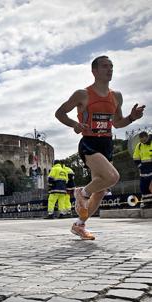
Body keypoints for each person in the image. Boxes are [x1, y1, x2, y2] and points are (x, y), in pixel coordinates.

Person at [55, 55, 145, 240]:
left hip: (107, 143)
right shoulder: (83, 94)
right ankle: (82, 192)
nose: (109, 69)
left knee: (102, 189)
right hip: (89, 142)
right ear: (94, 71)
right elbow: (60, 112)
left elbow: (118, 123)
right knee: (113, 177)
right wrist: (74, 124)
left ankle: (80, 225)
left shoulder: (116, 96)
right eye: (105, 66)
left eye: (111, 66)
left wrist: (132, 118)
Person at [133, 131, 152, 207]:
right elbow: (136, 157)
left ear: (147, 137)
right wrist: (140, 166)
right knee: (143, 187)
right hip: (143, 171)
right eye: (141, 140)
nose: (143, 142)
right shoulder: (139, 145)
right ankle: (147, 203)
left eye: (144, 140)